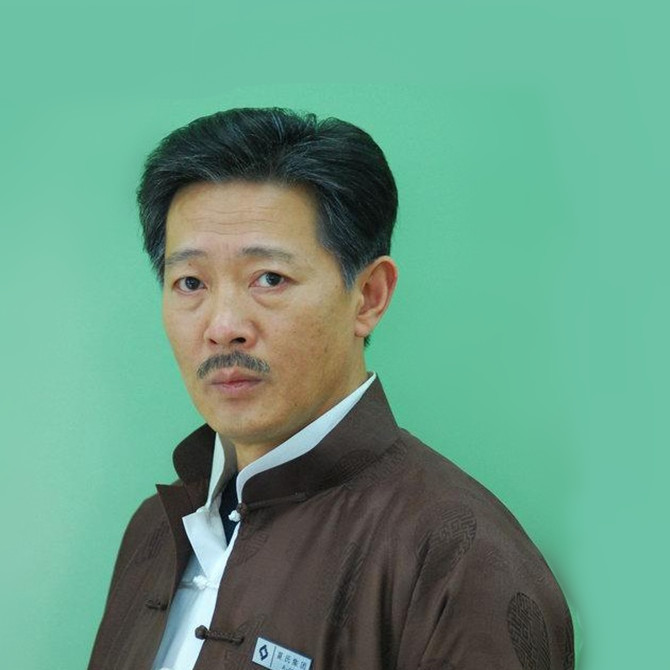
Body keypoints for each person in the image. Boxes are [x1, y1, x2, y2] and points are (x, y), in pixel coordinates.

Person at [88, 107, 574, 670]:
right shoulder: (154, 530)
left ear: (368, 296)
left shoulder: (460, 560)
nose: (223, 326)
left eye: (269, 278)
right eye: (190, 282)